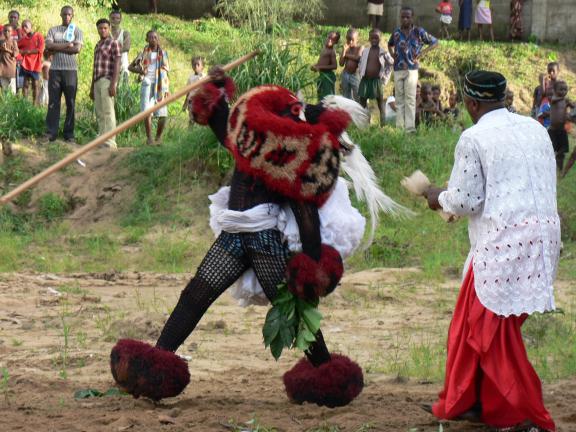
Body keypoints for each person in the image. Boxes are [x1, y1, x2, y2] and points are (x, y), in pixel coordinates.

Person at [110, 67, 371, 408]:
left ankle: (326, 373)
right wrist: (215, 89)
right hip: (234, 236)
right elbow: (224, 126)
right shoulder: (250, 143)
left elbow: (305, 211)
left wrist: (311, 262)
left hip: (263, 241)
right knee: (195, 295)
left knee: (291, 310)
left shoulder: (291, 158)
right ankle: (158, 362)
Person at [423, 70, 559, 432]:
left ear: (471, 103)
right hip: (544, 242)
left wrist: (437, 196)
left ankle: (523, 412)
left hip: (505, 244)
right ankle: (472, 402)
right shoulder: (535, 128)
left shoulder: (474, 136)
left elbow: (466, 200)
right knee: (477, 326)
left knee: (486, 332)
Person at [388, 6, 438, 132]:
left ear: (412, 18)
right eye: (402, 17)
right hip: (398, 69)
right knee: (399, 99)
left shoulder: (418, 32)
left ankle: (410, 128)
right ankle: (399, 128)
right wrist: (393, 55)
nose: (405, 19)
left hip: (412, 69)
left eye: (407, 17)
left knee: (410, 98)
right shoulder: (396, 32)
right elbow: (390, 44)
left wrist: (422, 53)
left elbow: (435, 42)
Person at [44, 5, 84, 143]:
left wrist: (57, 47)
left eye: (69, 14)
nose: (67, 16)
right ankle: (51, 133)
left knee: (71, 103)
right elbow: (48, 46)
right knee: (53, 102)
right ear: (60, 14)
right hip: (55, 70)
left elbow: (77, 49)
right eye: (64, 14)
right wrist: (67, 45)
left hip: (70, 71)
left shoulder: (77, 31)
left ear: (72, 16)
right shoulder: (53, 30)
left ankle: (69, 134)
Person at [129, 30, 169, 145]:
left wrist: (167, 89)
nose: (153, 39)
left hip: (160, 85)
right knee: (147, 112)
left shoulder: (163, 54)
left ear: (158, 39)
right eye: (150, 37)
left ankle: (158, 137)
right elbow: (130, 67)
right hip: (147, 83)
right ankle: (149, 138)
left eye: (155, 37)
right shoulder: (143, 54)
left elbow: (167, 72)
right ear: (146, 39)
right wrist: (140, 70)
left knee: (163, 114)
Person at [90, 18, 121, 151]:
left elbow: (117, 64)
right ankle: (102, 137)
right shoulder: (98, 45)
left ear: (109, 29)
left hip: (107, 80)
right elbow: (94, 67)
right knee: (99, 111)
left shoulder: (114, 43)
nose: (103, 30)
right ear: (97, 29)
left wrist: (113, 84)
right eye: (100, 28)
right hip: (97, 80)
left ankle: (110, 141)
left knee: (108, 110)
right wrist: (92, 87)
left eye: (105, 28)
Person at [358, 28, 393, 126]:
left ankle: (383, 125)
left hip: (376, 81)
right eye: (372, 38)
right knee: (362, 102)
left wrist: (385, 77)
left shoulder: (383, 52)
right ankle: (362, 123)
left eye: (376, 38)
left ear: (380, 39)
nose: (374, 40)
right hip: (365, 80)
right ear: (369, 38)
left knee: (380, 103)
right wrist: (361, 71)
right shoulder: (365, 51)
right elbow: (361, 62)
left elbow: (391, 63)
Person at [547, 80, 574, 173]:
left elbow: (573, 106)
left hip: (562, 130)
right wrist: (564, 99)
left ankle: (560, 169)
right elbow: (553, 99)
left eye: (565, 90)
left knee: (562, 152)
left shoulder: (565, 101)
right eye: (561, 89)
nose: (563, 92)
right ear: (554, 90)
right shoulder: (554, 98)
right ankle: (548, 167)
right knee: (550, 150)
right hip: (552, 130)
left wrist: (571, 103)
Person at [18, 20, 44, 105]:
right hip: (25, 64)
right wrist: (20, 52)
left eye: (26, 26)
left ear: (31, 27)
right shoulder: (24, 39)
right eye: (22, 27)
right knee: (25, 85)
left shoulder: (38, 36)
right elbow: (17, 46)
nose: (24, 28)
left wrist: (27, 52)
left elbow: (40, 49)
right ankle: (24, 104)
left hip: (35, 65)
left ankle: (34, 105)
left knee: (35, 85)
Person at [311, 31, 339, 101]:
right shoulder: (324, 48)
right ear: (326, 37)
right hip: (322, 75)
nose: (330, 40)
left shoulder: (331, 51)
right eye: (329, 37)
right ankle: (320, 110)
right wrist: (315, 66)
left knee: (327, 98)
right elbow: (321, 63)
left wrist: (319, 67)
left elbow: (334, 66)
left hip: (328, 77)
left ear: (335, 42)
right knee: (320, 96)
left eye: (333, 39)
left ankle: (327, 111)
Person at [339, 28, 363, 102]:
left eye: (352, 39)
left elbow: (358, 58)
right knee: (346, 95)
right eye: (348, 39)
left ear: (357, 39)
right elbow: (341, 63)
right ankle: (348, 111)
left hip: (355, 75)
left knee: (358, 95)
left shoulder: (360, 48)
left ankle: (360, 110)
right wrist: (344, 51)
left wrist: (346, 55)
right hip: (345, 74)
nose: (350, 42)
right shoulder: (346, 49)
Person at [183, 56, 205, 126]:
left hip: (201, 101)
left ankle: (198, 133)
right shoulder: (190, 78)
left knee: (200, 119)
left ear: (202, 66)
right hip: (191, 101)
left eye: (198, 64)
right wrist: (185, 104)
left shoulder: (204, 77)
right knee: (191, 118)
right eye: (194, 64)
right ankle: (190, 132)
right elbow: (188, 91)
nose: (196, 66)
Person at [109, 10, 131, 82]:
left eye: (117, 18)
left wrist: (111, 50)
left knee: (123, 90)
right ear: (109, 18)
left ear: (120, 19)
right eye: (113, 18)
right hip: (109, 66)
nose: (115, 20)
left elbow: (126, 47)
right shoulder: (107, 33)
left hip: (123, 66)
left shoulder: (125, 33)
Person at [0, 24, 19, 94]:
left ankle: (12, 104)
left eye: (9, 31)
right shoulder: (1, 42)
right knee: (4, 89)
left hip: (10, 67)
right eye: (5, 31)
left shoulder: (13, 42)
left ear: (12, 32)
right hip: (2, 67)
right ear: (3, 31)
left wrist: (6, 49)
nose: (7, 32)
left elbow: (16, 53)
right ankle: (5, 104)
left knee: (12, 89)